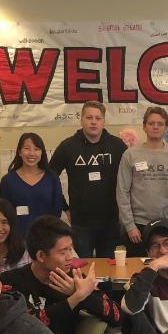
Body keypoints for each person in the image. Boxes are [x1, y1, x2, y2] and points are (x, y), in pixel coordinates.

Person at [0, 215, 121, 334]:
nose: (70, 257)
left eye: (71, 249)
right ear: (41, 256)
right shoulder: (11, 281)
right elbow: (25, 327)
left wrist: (81, 295)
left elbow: (116, 315)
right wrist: (75, 297)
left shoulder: (73, 278)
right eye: (63, 252)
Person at [49, 100, 127, 258]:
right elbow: (49, 177)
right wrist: (65, 207)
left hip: (110, 221)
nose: (93, 122)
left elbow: (130, 179)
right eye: (89, 117)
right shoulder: (68, 146)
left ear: (104, 121)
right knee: (83, 270)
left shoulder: (117, 146)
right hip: (81, 223)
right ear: (81, 119)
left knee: (108, 273)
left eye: (98, 118)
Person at [117, 106, 168, 257]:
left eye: (160, 124)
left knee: (166, 271)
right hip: (138, 227)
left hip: (166, 225)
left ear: (166, 128)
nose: (155, 127)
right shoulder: (130, 155)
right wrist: (129, 225)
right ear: (144, 126)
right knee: (137, 273)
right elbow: (122, 192)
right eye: (151, 123)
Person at [1, 132, 64, 235]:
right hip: (17, 239)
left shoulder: (52, 178)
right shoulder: (8, 180)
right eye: (27, 148)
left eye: (36, 149)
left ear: (42, 153)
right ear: (19, 152)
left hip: (46, 237)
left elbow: (56, 211)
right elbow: (5, 213)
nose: (31, 153)